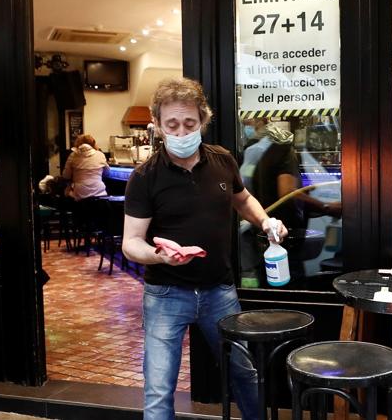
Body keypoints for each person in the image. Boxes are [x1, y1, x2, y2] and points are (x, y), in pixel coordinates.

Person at [122, 77, 287, 420]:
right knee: (158, 390)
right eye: (172, 125)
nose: (181, 132)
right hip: (166, 294)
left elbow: (244, 200)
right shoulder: (145, 177)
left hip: (219, 292)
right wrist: (158, 255)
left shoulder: (222, 160)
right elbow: (131, 243)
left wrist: (265, 222)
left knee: (244, 374)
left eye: (189, 123)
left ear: (202, 121)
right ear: (158, 126)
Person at [61, 133, 107, 200]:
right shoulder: (100, 154)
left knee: (66, 191)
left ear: (78, 144)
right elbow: (107, 172)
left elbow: (66, 176)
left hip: (80, 194)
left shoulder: (73, 155)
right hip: (100, 193)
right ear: (93, 144)